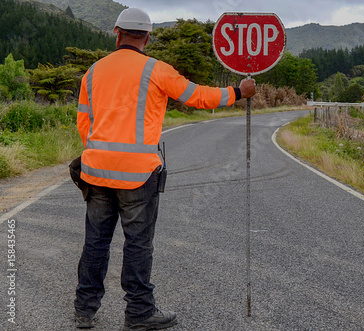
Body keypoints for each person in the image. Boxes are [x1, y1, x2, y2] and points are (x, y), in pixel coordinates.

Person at [73, 7, 256, 330]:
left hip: (96, 171)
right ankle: (139, 312)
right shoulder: (156, 70)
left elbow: (84, 121)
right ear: (147, 37)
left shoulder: (94, 71)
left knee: (96, 242)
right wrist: (238, 92)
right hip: (139, 174)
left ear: (117, 33)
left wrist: (102, 150)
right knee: (138, 243)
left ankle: (85, 310)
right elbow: (198, 97)